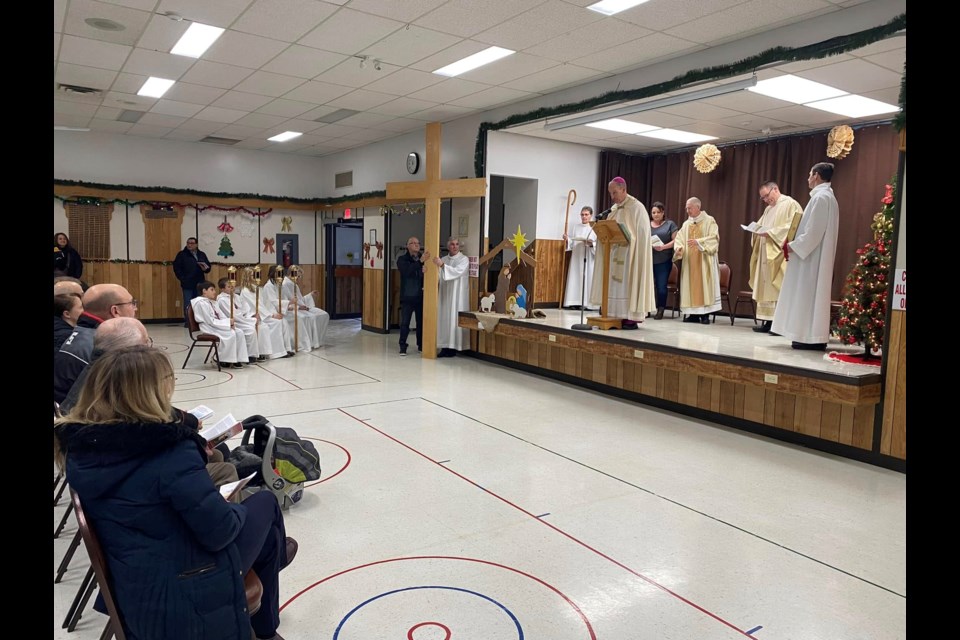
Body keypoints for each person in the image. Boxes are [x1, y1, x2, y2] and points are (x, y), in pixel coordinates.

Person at [54, 346, 296, 640]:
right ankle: (267, 621)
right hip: (186, 583)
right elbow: (221, 532)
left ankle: (267, 615)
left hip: (134, 574)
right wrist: (228, 504)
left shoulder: (82, 447)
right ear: (152, 392)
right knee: (266, 505)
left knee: (264, 529)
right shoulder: (168, 451)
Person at [772, 162, 840, 350]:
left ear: (817, 175)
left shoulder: (821, 198)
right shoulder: (827, 197)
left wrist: (793, 246)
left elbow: (813, 232)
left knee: (807, 294)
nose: (808, 178)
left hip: (811, 258)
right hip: (814, 256)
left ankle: (807, 336)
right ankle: (807, 335)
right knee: (810, 296)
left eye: (810, 174)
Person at [588, 177, 656, 329]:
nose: (612, 197)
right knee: (614, 285)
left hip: (630, 256)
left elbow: (642, 235)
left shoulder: (637, 208)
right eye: (610, 193)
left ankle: (629, 318)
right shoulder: (614, 210)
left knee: (626, 285)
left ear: (624, 190)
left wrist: (629, 238)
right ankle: (613, 314)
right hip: (614, 253)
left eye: (615, 192)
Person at [54, 283, 138, 404]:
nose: (135, 308)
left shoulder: (80, 333)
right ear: (115, 310)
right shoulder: (107, 344)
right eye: (131, 303)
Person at [748, 181, 804, 333]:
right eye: (763, 198)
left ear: (775, 189)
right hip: (766, 254)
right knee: (766, 289)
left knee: (778, 287)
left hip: (779, 255)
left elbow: (794, 226)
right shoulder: (768, 210)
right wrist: (753, 230)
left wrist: (771, 233)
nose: (766, 200)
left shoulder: (790, 204)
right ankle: (767, 321)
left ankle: (779, 324)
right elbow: (759, 226)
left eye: (766, 196)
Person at [673, 197, 721, 325]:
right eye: (686, 208)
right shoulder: (686, 224)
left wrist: (698, 242)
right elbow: (679, 239)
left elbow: (714, 238)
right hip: (690, 262)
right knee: (690, 285)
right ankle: (693, 315)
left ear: (697, 207)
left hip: (704, 261)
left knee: (704, 285)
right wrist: (678, 248)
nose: (687, 210)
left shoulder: (709, 220)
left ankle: (705, 315)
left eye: (689, 208)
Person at [191, 281, 249, 369]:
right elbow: (210, 321)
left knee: (239, 332)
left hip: (217, 325)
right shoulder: (200, 303)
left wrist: (229, 322)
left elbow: (221, 316)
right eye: (212, 289)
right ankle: (222, 359)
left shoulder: (212, 302)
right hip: (209, 327)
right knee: (230, 334)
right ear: (204, 291)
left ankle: (237, 358)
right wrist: (227, 323)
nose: (214, 292)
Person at [238, 267, 293, 359]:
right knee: (275, 323)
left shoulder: (256, 288)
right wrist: (272, 315)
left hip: (262, 314)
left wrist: (273, 313)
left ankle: (282, 350)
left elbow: (265, 303)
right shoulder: (246, 290)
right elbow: (257, 305)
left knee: (280, 322)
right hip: (251, 315)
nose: (255, 277)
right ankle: (273, 353)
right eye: (253, 275)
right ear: (247, 277)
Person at [263, 266, 318, 353]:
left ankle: (298, 345)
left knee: (298, 318)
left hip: (283, 310)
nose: (281, 276)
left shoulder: (280, 284)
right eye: (279, 273)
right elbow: (272, 301)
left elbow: (287, 297)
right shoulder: (268, 286)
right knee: (291, 320)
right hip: (272, 311)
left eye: (282, 273)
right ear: (274, 274)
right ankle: (290, 347)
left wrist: (291, 305)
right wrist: (289, 303)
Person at [431, 237, 470, 357]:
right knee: (444, 318)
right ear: (448, 247)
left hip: (457, 294)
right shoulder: (443, 259)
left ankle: (455, 347)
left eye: (457, 244)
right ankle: (445, 346)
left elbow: (457, 272)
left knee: (454, 318)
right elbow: (436, 275)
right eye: (452, 244)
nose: (455, 246)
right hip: (445, 293)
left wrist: (442, 266)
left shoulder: (464, 259)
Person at [218, 277, 264, 363]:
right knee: (250, 330)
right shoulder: (222, 300)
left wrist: (251, 315)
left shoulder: (236, 296)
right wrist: (252, 320)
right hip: (234, 323)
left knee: (259, 327)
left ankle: (255, 353)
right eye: (229, 287)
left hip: (242, 320)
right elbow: (234, 315)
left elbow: (245, 309)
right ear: (222, 289)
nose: (232, 288)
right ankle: (249, 355)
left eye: (233, 286)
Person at [562, 206, 598, 310]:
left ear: (591, 215)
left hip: (588, 256)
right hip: (577, 256)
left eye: (586, 215)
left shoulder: (594, 227)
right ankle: (574, 301)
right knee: (575, 278)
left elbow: (598, 243)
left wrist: (591, 244)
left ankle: (587, 303)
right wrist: (567, 239)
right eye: (582, 214)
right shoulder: (576, 227)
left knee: (587, 278)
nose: (584, 217)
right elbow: (572, 243)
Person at [281, 273, 329, 348]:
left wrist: (310, 295)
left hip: (301, 308)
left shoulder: (294, 285)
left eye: (300, 276)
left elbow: (300, 300)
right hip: (292, 310)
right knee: (309, 317)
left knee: (324, 314)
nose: (299, 278)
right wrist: (298, 308)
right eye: (298, 276)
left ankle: (318, 340)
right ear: (291, 274)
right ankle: (306, 343)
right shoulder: (285, 285)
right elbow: (285, 303)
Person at [173, 237, 212, 328]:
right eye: (188, 243)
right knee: (188, 303)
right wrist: (182, 278)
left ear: (196, 244)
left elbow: (208, 267)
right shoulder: (182, 254)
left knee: (199, 302)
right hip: (187, 283)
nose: (190, 245)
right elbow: (176, 268)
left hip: (200, 283)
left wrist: (206, 268)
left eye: (192, 243)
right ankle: (189, 322)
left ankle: (199, 321)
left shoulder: (201, 254)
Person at [649, 202, 679, 320]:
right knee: (648, 286)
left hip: (664, 260)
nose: (655, 215)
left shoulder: (670, 224)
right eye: (653, 212)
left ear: (663, 213)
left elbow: (676, 240)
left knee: (661, 286)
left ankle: (660, 309)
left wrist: (663, 247)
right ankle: (647, 309)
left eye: (658, 212)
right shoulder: (647, 224)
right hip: (649, 260)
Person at [397, 237, 425, 356]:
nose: (416, 245)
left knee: (421, 323)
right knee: (405, 323)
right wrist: (420, 263)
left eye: (417, 243)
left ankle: (421, 345)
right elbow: (407, 271)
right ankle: (403, 346)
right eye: (412, 243)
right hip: (407, 297)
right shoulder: (402, 259)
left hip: (420, 296)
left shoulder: (423, 258)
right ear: (407, 246)